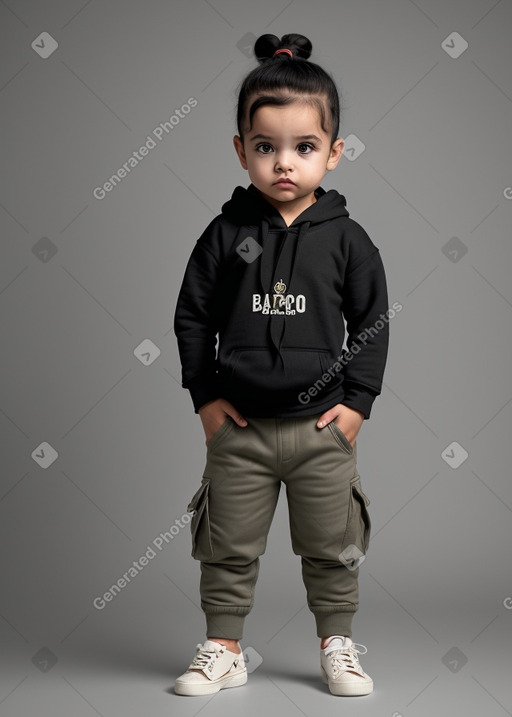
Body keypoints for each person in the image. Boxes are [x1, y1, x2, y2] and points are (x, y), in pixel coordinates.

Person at [173, 32, 389, 697]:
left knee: (333, 544)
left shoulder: (348, 240)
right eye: (265, 147)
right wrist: (205, 398)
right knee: (227, 545)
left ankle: (338, 643)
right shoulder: (224, 234)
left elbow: (374, 322)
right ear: (241, 149)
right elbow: (192, 317)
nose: (284, 164)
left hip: (321, 432)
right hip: (240, 430)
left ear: (334, 151)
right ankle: (223, 647)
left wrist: (358, 402)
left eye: (304, 147)